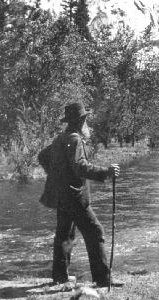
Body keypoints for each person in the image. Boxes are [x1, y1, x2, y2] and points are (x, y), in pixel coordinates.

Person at [38, 101, 120, 287]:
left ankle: (60, 277)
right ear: (81, 120)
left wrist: (57, 178)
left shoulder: (61, 138)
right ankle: (102, 279)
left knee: (64, 236)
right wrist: (106, 172)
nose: (86, 123)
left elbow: (42, 156)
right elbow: (80, 167)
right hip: (75, 197)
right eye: (85, 119)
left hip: (62, 197)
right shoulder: (74, 139)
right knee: (95, 232)